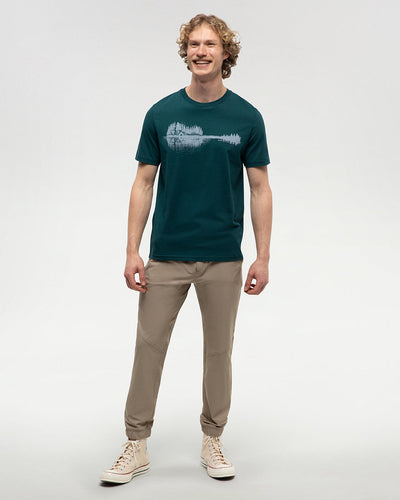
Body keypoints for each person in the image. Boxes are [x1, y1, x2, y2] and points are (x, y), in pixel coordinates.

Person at [100, 12, 272, 484]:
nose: (201, 51)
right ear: (186, 52)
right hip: (166, 254)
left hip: (223, 256)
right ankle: (136, 444)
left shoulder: (247, 117)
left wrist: (263, 256)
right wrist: (132, 251)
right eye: (194, 44)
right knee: (148, 347)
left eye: (210, 44)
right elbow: (143, 182)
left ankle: (212, 438)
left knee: (219, 352)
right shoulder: (161, 114)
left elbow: (260, 187)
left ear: (225, 53)